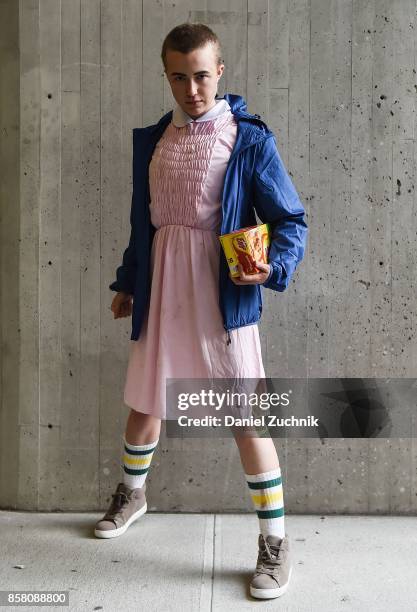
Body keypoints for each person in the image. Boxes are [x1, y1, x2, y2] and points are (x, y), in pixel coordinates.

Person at [94, 22, 308, 601]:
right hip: (162, 282)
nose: (192, 89)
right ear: (167, 76)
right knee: (147, 397)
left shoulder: (249, 140)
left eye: (202, 76)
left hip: (222, 290)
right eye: (179, 77)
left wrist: (271, 268)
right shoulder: (156, 138)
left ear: (221, 72)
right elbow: (147, 222)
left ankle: (275, 541)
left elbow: (290, 221)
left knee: (245, 412)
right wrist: (129, 282)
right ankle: (133, 494)